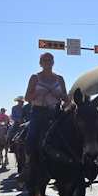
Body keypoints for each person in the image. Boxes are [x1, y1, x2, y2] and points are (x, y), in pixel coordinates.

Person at [22, 52, 68, 181]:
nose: (47, 62)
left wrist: (58, 95)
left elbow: (66, 99)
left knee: (72, 133)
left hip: (55, 112)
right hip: (39, 112)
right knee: (31, 137)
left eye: (50, 60)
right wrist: (37, 95)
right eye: (44, 60)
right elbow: (27, 98)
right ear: (40, 63)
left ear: (53, 62)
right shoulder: (35, 78)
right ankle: (28, 165)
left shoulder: (60, 78)